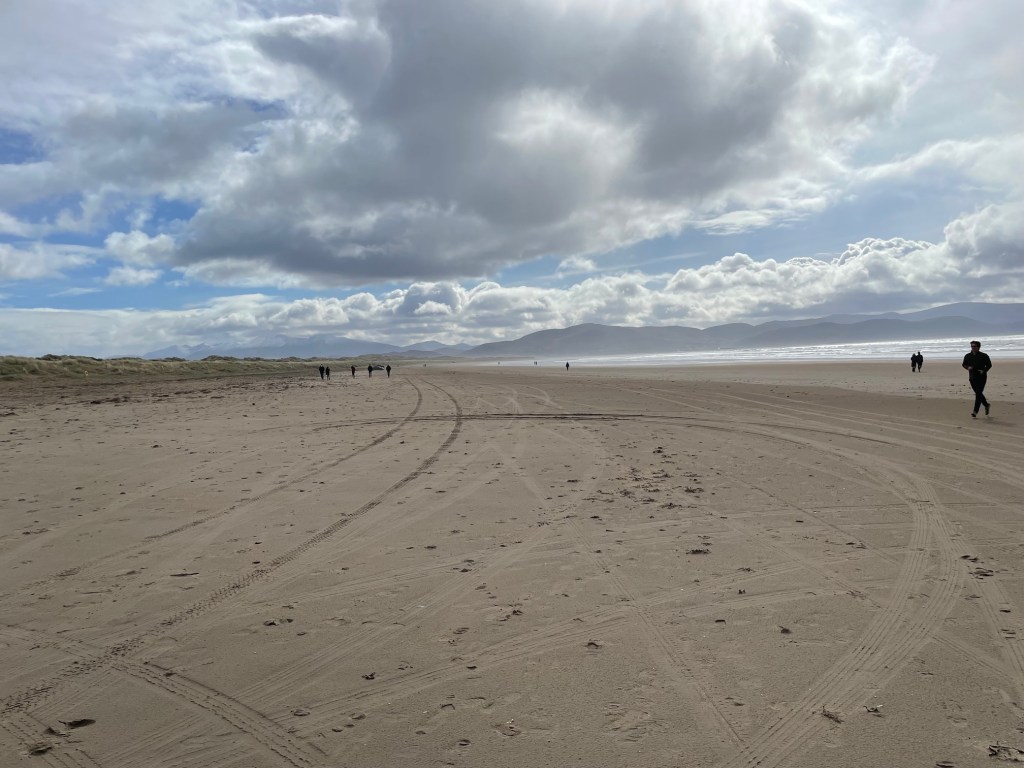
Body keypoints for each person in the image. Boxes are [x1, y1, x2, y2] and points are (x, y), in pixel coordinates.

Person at [962, 341, 992, 417]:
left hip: (981, 377)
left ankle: (975, 411)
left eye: (975, 346)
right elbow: (964, 364)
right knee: (979, 394)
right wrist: (968, 367)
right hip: (972, 377)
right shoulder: (967, 356)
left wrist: (983, 370)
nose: (973, 348)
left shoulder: (984, 356)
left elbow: (989, 365)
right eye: (972, 346)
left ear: (979, 347)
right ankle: (986, 405)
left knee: (978, 394)